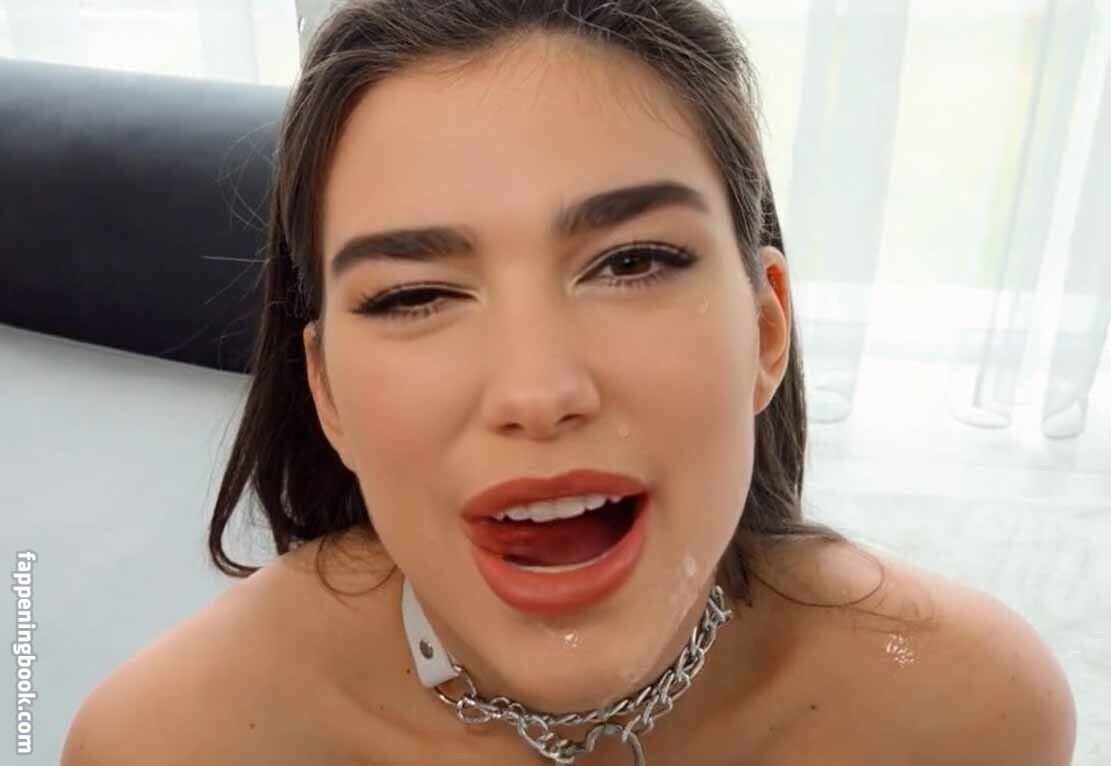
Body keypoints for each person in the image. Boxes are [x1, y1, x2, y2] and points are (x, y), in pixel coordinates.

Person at [62, 1, 1076, 764]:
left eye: (632, 262)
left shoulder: (965, 710)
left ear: (766, 328)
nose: (538, 391)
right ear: (326, 391)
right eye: (416, 294)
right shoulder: (165, 743)